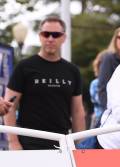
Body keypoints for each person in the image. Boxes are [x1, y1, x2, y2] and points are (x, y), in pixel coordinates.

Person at [4, 15, 85, 150]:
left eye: (55, 35)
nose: (50, 39)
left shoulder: (72, 71)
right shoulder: (24, 67)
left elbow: (77, 111)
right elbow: (9, 106)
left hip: (62, 143)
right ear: (40, 36)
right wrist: (13, 142)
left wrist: (79, 145)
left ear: (63, 38)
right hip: (29, 143)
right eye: (46, 34)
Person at [97, 26, 120, 118]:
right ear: (115, 40)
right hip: (113, 112)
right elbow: (102, 88)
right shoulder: (108, 58)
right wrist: (108, 110)